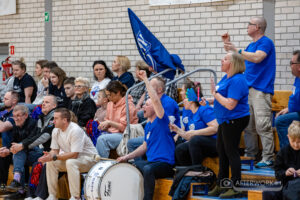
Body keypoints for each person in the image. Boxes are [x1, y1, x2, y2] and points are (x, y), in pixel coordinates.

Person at [224, 16, 276, 167]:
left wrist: (237, 49)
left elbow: (258, 58)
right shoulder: (250, 45)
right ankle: (250, 154)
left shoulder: (266, 42)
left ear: (258, 27)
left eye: (249, 24)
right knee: (248, 125)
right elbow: (239, 59)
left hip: (261, 89)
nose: (247, 26)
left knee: (262, 125)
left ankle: (268, 157)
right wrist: (228, 45)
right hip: (248, 89)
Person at [117, 70, 175, 200]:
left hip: (165, 164)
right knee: (131, 166)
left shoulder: (161, 119)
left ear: (155, 107)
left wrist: (145, 80)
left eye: (146, 105)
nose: (143, 106)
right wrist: (126, 157)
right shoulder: (148, 125)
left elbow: (155, 99)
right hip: (152, 162)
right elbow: (144, 147)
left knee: (148, 169)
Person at [208, 53, 250, 199]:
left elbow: (231, 104)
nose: (221, 60)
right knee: (221, 150)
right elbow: (221, 98)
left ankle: (236, 186)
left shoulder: (238, 80)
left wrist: (214, 94)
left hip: (235, 119)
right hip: (224, 120)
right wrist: (207, 100)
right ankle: (222, 183)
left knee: (231, 151)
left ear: (233, 63)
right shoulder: (226, 77)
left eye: (225, 59)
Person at [39, 108, 98, 200]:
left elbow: (74, 154)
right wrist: (49, 156)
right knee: (51, 163)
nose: (53, 121)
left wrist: (54, 157)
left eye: (55, 118)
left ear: (65, 120)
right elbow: (55, 151)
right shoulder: (55, 130)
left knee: (71, 162)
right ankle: (52, 196)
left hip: (90, 159)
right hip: (75, 159)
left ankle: (75, 197)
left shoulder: (75, 130)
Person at [127, 76, 180, 160]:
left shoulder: (168, 103)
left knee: (131, 143)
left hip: (167, 137)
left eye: (150, 86)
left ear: (159, 90)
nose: (147, 89)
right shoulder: (151, 102)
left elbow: (167, 126)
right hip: (156, 134)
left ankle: (141, 167)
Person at [170, 80, 218, 166]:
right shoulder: (191, 113)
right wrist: (177, 130)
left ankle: (197, 170)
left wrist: (195, 133)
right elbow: (188, 134)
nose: (183, 101)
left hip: (215, 143)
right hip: (199, 143)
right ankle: (186, 172)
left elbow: (215, 128)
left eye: (185, 99)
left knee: (194, 140)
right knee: (179, 149)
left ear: (191, 100)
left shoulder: (204, 109)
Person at [5, 105, 43, 193]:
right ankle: (12, 184)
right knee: (7, 153)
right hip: (24, 154)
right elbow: (13, 142)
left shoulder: (33, 123)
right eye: (14, 116)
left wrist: (18, 147)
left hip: (37, 152)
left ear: (26, 115)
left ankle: (18, 186)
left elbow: (31, 141)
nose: (16, 119)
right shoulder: (16, 125)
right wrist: (8, 149)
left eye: (18, 115)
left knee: (19, 151)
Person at [96, 80, 138, 158]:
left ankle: (104, 164)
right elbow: (107, 119)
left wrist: (109, 123)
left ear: (118, 93)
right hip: (112, 132)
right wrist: (103, 126)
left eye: (110, 95)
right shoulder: (110, 104)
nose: (108, 97)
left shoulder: (128, 105)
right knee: (93, 134)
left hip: (125, 134)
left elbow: (124, 128)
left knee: (102, 140)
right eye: (107, 95)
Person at [263, 121, 300, 200]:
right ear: (288, 137)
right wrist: (285, 173)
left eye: (299, 142)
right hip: (285, 183)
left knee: (293, 191)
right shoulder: (283, 152)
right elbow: (278, 174)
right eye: (293, 141)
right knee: (267, 191)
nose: (296, 144)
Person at [275, 50, 300, 148]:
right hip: (296, 112)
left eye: (291, 63)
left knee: (280, 121)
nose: (290, 65)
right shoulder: (297, 78)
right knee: (280, 118)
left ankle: (288, 154)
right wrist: (288, 109)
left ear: (299, 66)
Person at [0, 91, 18, 190]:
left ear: (14, 101)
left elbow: (2, 128)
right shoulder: (4, 113)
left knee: (3, 153)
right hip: (5, 147)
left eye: (6, 99)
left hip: (17, 147)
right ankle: (2, 184)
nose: (3, 101)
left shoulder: (16, 113)